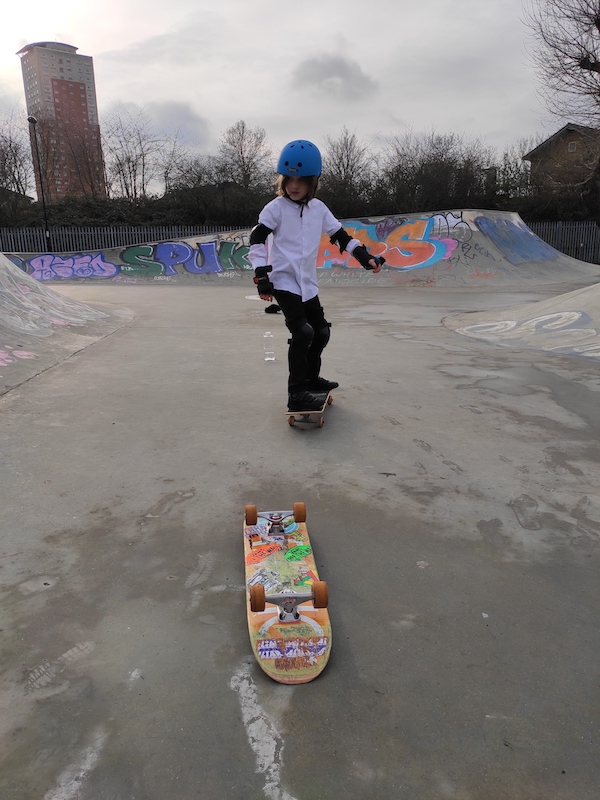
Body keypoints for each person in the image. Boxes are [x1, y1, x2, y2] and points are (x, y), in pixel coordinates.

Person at [248, 139, 384, 412]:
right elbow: (257, 237)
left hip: (307, 284)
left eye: (301, 180)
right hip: (284, 281)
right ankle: (296, 393)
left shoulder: (318, 209)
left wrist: (365, 257)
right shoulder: (275, 208)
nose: (294, 186)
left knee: (320, 332)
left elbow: (340, 236)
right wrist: (261, 276)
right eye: (289, 179)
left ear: (313, 182)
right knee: (302, 333)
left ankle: (311, 378)